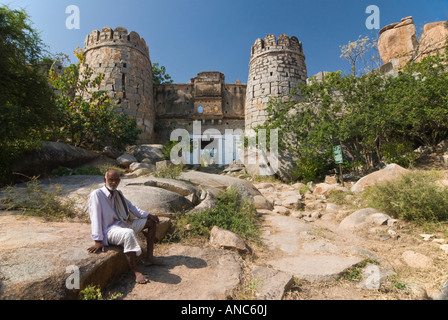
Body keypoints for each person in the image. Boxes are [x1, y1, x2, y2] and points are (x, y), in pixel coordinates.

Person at [87, 169, 164, 284]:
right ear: (105, 180)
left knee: (150, 222)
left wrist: (148, 215)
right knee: (128, 233)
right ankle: (136, 272)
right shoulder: (97, 195)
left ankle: (149, 258)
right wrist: (98, 240)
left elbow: (132, 208)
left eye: (117, 180)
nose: (114, 182)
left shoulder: (118, 193)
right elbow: (95, 217)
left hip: (124, 224)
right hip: (109, 231)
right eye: (111, 180)